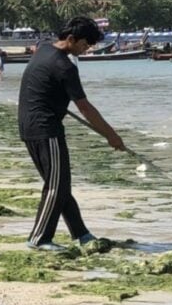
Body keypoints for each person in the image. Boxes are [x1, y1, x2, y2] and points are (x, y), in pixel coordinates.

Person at [18, 16, 124, 251]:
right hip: (46, 129)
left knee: (60, 184)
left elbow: (43, 82)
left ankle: (81, 233)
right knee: (56, 187)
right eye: (85, 45)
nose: (86, 50)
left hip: (28, 126)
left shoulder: (44, 48)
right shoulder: (65, 67)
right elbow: (85, 108)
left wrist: (55, 98)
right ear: (70, 39)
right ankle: (39, 238)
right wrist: (111, 135)